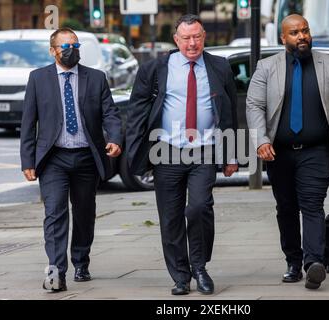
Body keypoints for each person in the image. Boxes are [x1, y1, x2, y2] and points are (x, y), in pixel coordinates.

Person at [125, 14, 238, 295]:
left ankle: (200, 267)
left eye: (197, 36)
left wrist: (231, 154)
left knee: (199, 207)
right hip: (167, 151)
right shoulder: (154, 69)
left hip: (205, 150)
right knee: (170, 216)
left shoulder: (219, 66)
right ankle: (180, 276)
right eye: (186, 37)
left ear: (204, 37)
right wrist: (134, 149)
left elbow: (229, 113)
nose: (192, 43)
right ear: (176, 40)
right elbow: (137, 109)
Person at [246, 14, 329, 290]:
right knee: (286, 208)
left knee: (312, 204)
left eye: (305, 30)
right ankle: (293, 262)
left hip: (316, 150)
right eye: (294, 32)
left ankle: (313, 263)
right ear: (283, 38)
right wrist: (261, 141)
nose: (302, 36)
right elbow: (254, 105)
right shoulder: (266, 67)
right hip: (278, 153)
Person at [20, 28, 122, 292]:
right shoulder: (38, 78)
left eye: (75, 46)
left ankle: (81, 261)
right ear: (52, 50)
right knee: (55, 213)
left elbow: (110, 113)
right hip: (53, 158)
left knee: (85, 213)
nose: (71, 50)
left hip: (87, 156)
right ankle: (56, 271)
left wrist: (114, 138)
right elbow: (28, 123)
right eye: (65, 46)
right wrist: (27, 161)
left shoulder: (96, 78)